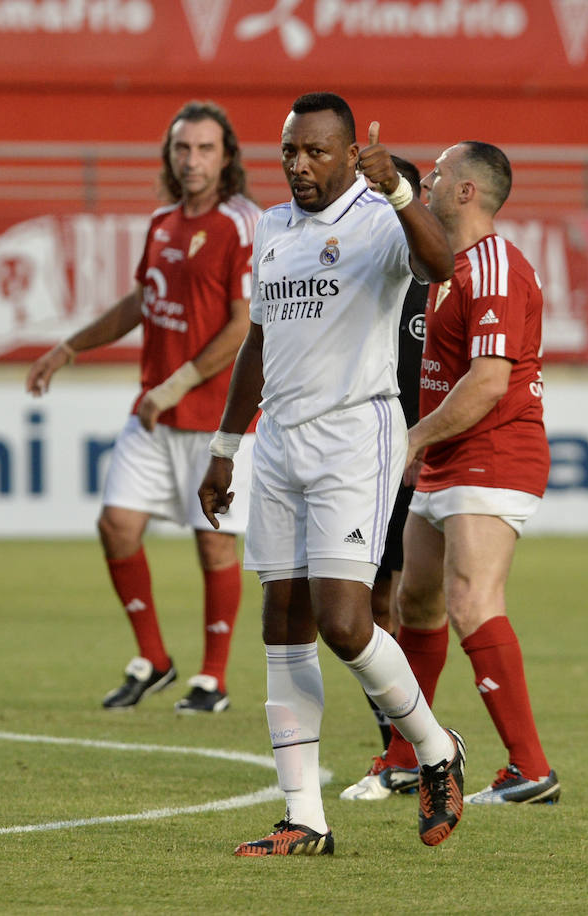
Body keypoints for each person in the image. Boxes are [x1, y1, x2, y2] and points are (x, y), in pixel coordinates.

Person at [198, 92, 466, 853]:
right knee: (282, 622)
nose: (299, 165)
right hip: (279, 441)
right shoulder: (272, 228)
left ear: (351, 154)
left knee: (345, 623)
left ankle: (435, 748)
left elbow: (439, 263)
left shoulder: (381, 218)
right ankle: (304, 818)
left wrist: (401, 189)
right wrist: (225, 446)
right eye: (290, 150)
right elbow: (258, 342)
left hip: (354, 435)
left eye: (316, 151)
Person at [26, 100, 260, 714]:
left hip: (219, 417)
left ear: (227, 158)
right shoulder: (162, 223)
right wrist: (68, 348)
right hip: (156, 412)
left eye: (205, 149)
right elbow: (142, 301)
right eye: (183, 148)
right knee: (117, 526)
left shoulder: (244, 223)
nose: (192, 160)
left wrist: (177, 384)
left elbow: (244, 324)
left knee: (214, 542)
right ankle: (154, 658)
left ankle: (212, 678)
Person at [370, 140, 561, 806]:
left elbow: (486, 384)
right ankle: (406, 757)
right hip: (447, 457)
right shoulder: (446, 267)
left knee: (471, 601)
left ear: (467, 191)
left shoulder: (498, 265)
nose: (428, 182)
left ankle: (529, 768)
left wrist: (411, 440)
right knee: (414, 603)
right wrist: (425, 448)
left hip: (494, 450)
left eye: (439, 174)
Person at [339, 155, 430, 801]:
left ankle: (413, 751)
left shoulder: (436, 276)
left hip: (420, 461)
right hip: (366, 456)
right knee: (366, 606)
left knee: (413, 604)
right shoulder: (350, 275)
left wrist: (428, 442)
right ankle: (396, 745)